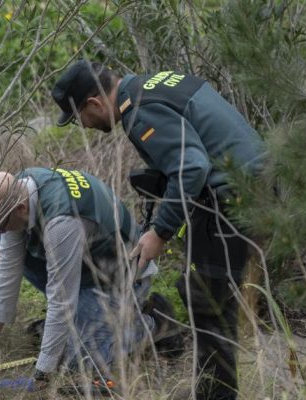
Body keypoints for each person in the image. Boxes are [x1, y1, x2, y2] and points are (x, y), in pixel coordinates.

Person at [51, 60, 266, 399]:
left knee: (206, 301)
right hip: (257, 187)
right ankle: (213, 390)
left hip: (232, 199)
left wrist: (160, 232)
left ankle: (216, 395)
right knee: (213, 296)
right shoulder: (155, 84)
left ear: (94, 103)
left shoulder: (140, 112)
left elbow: (192, 168)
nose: (85, 125)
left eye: (80, 118)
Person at [0, 167, 181, 392]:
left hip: (116, 277)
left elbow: (61, 301)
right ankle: (79, 320)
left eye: (1, 224)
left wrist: (42, 375)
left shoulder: (61, 222)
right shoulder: (20, 188)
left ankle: (154, 324)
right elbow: (8, 268)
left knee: (78, 362)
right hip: (83, 262)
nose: (0, 231)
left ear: (21, 209)